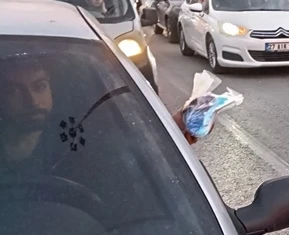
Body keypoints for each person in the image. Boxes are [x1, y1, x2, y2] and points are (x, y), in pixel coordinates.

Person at [0, 60, 202, 173]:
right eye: (14, 91)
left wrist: (175, 131)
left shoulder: (82, 139)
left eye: (40, 86)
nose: (32, 101)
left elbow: (137, 153)